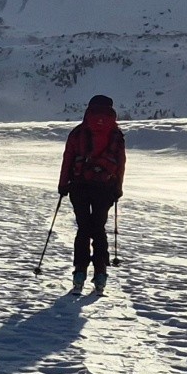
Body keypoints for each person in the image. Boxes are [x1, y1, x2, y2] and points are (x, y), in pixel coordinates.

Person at [57, 94, 125, 293]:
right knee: (99, 229)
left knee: (83, 228)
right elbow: (120, 163)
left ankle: (79, 273)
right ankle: (101, 274)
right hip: (105, 187)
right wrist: (118, 187)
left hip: (79, 185)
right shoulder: (115, 134)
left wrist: (63, 185)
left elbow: (68, 158)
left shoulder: (79, 132)